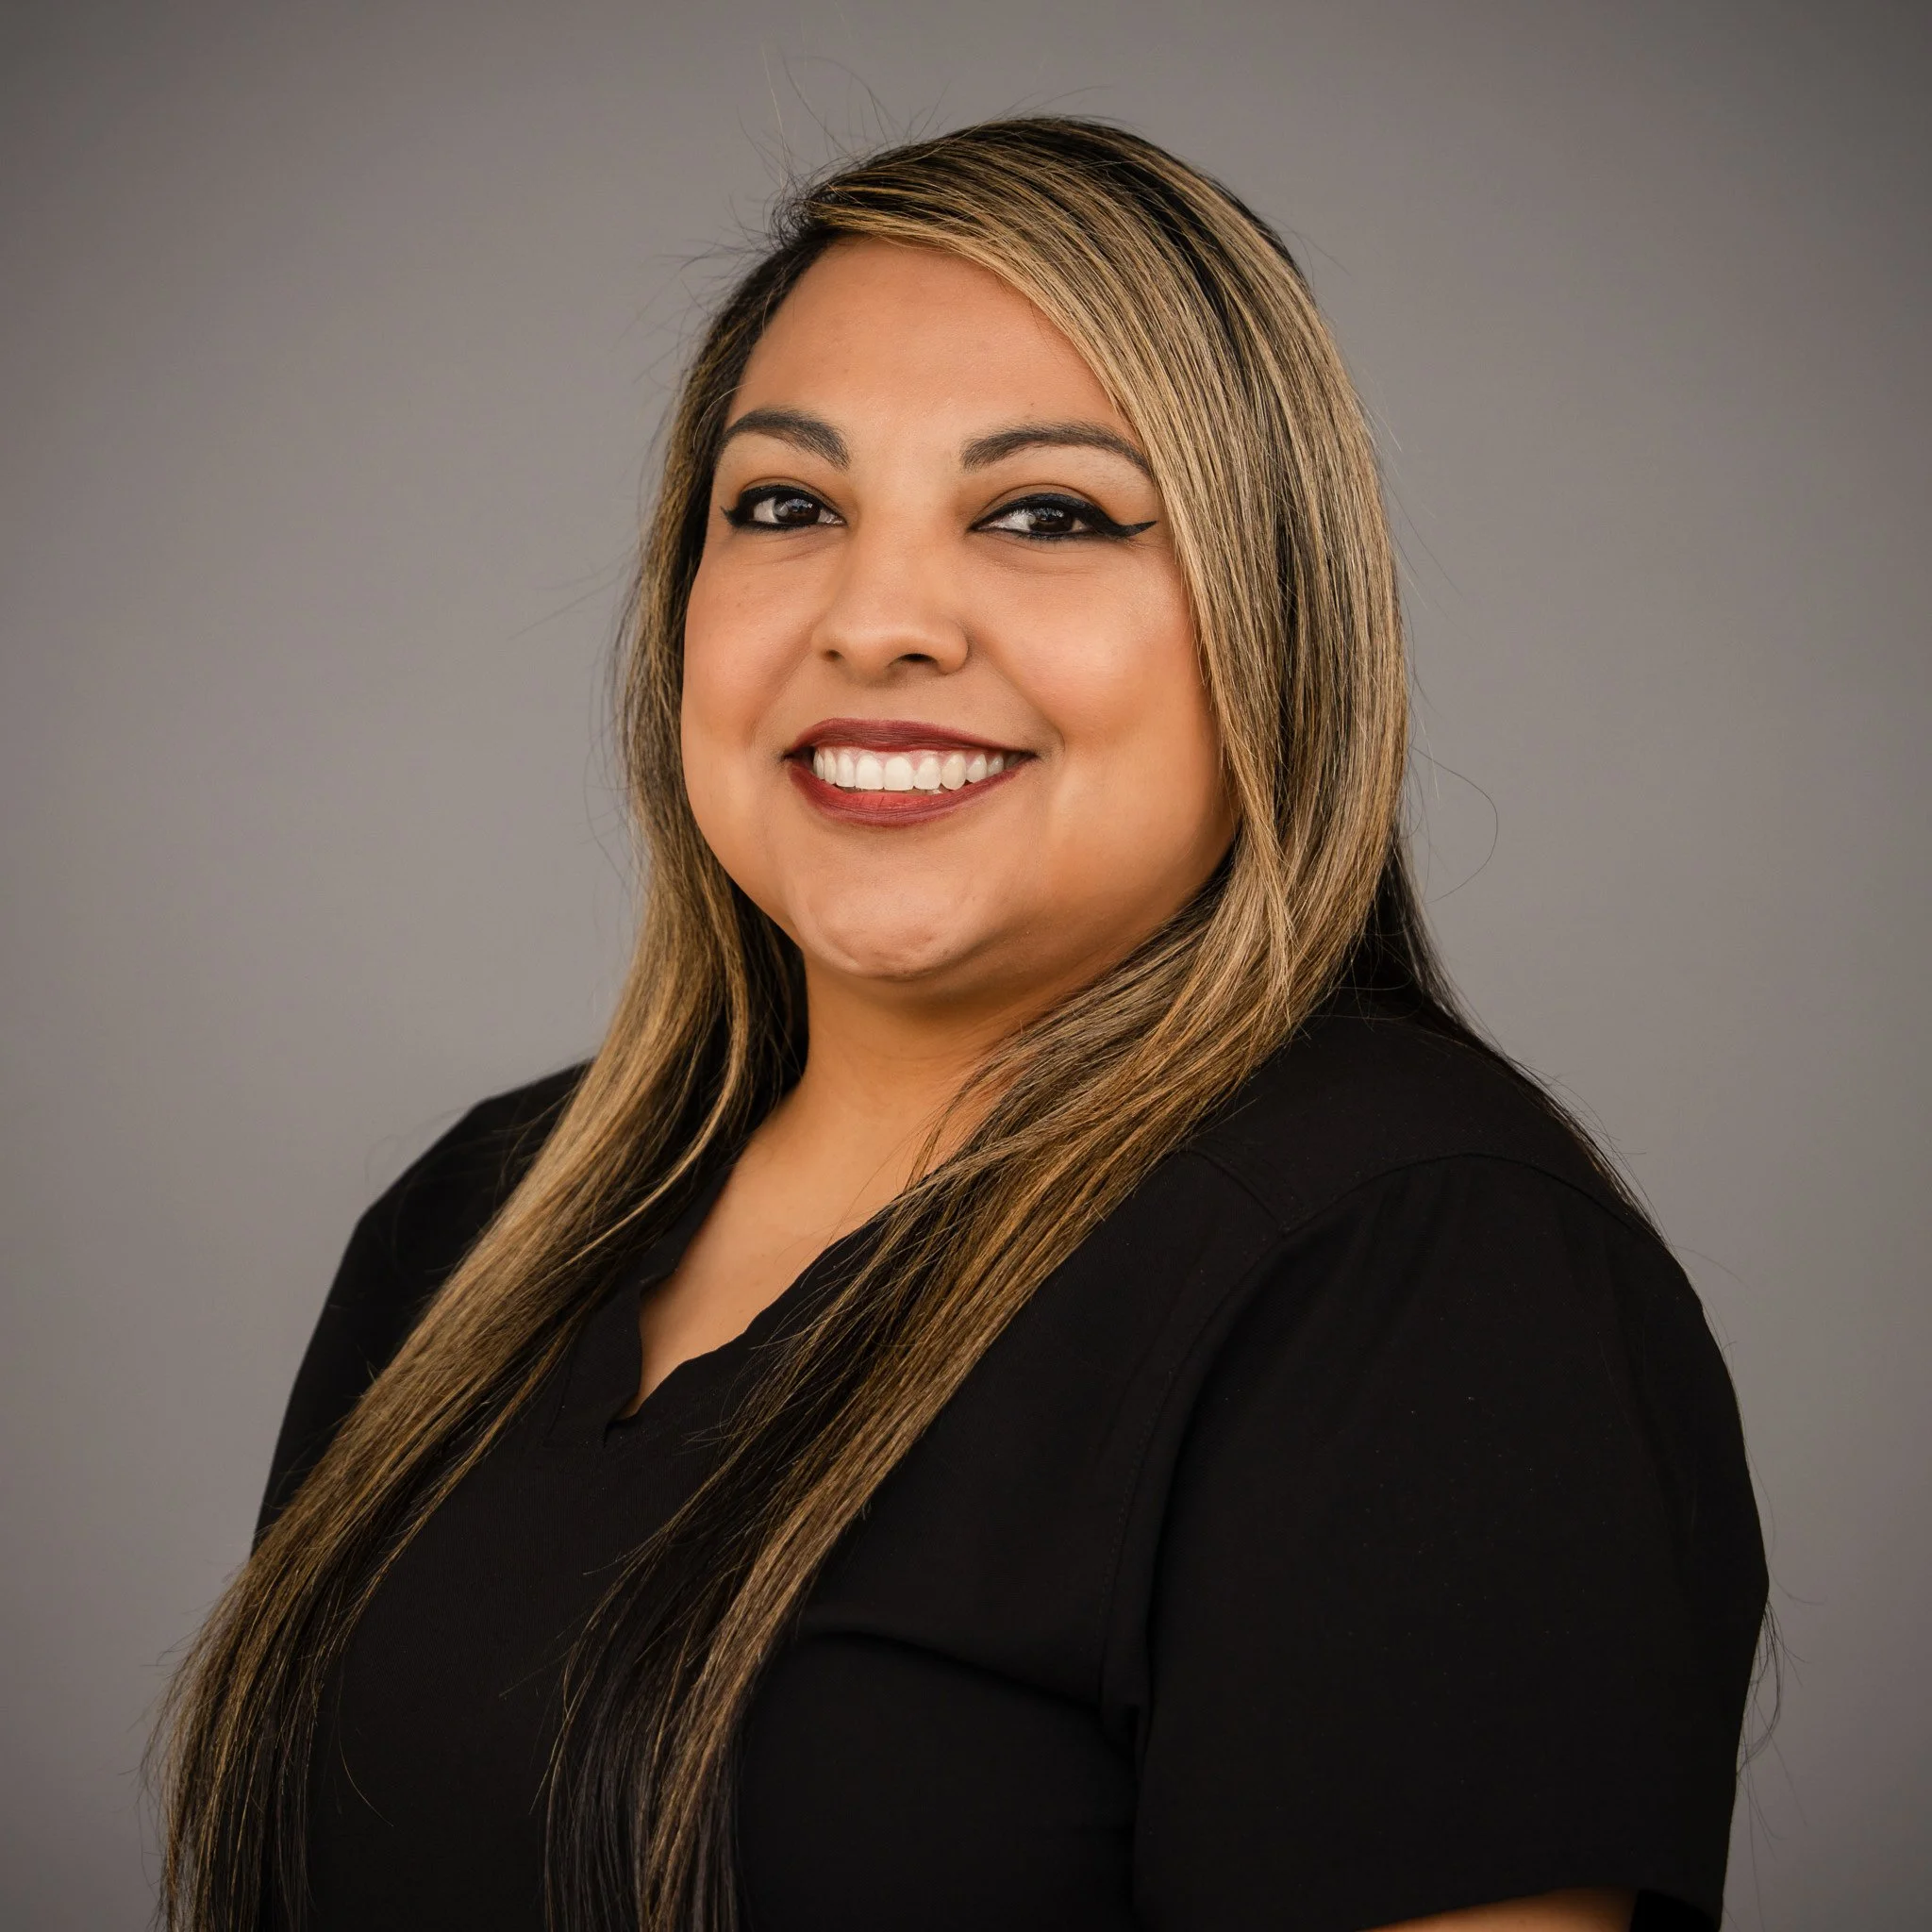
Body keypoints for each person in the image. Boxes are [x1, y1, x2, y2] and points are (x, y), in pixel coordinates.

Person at [154, 119, 1767, 1932]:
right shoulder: (481, 1223)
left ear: (1274, 621)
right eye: (786, 506)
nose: (880, 620)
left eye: (1047, 514)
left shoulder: (1420, 1274)